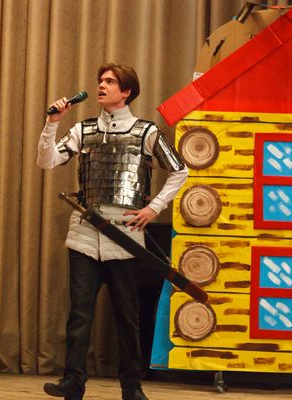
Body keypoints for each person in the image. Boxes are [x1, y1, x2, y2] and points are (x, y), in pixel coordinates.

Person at [37, 63, 188, 400]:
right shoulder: (83, 129)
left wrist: (154, 208)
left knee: (126, 315)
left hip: (125, 235)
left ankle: (132, 386)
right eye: (100, 81)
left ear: (126, 91)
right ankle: (73, 382)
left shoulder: (146, 132)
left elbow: (180, 170)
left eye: (110, 81)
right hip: (85, 233)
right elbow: (46, 161)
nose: (101, 86)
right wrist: (52, 123)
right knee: (79, 313)